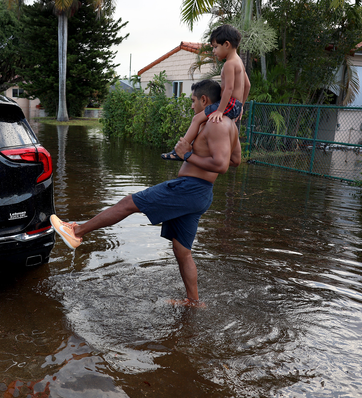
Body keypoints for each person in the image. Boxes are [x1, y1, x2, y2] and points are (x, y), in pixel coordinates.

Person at [50, 80, 240, 307]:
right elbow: (236, 159)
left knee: (129, 202)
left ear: (204, 100)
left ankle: (77, 232)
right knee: (182, 251)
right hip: (199, 193)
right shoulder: (230, 125)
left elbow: (222, 165)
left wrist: (186, 156)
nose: (192, 107)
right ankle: (193, 301)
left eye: (192, 101)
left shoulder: (216, 125)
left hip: (189, 189)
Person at [162, 24, 250, 164]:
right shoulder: (239, 61)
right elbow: (248, 85)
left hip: (229, 104)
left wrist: (220, 111)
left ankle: (179, 151)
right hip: (236, 105)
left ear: (226, 44)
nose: (214, 51)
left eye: (215, 47)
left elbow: (228, 89)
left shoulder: (229, 64)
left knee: (197, 119)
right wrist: (241, 106)